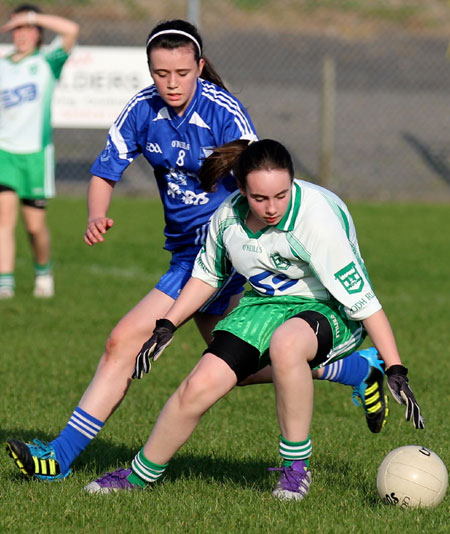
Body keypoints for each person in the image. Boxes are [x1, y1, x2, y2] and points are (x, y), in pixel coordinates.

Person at [5, 21, 387, 483]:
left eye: (182, 72)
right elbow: (105, 170)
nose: (171, 83)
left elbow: (256, 169)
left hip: (219, 255)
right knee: (234, 368)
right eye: (161, 72)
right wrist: (95, 214)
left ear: (199, 68)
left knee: (123, 341)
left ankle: (60, 457)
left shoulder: (222, 109)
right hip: (185, 252)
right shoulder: (142, 110)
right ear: (150, 70)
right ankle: (355, 368)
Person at [82, 139, 424, 500]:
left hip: (330, 309)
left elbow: (366, 304)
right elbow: (206, 277)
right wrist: (166, 326)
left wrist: (396, 369)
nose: (273, 207)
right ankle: (137, 476)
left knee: (287, 343)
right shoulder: (228, 217)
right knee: (199, 386)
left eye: (282, 194)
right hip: (264, 305)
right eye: (260, 198)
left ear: (292, 182)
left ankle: (294, 471)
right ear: (242, 189)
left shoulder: (316, 221)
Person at [0, 4, 79, 298]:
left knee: (34, 227)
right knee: (3, 219)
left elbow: (71, 30)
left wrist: (31, 16)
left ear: (38, 33)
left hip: (35, 155)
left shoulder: (47, 62)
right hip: (3, 153)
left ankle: (43, 272)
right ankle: (4, 285)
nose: (22, 34)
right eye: (17, 28)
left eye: (28, 28)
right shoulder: (3, 64)